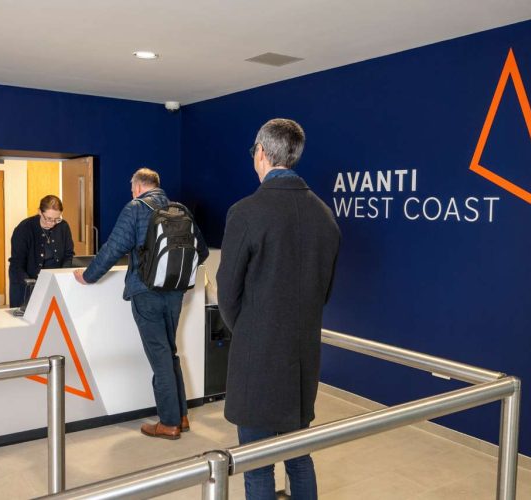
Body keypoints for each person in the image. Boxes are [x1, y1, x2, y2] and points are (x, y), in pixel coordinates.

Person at [217, 118, 341, 499]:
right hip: (302, 357)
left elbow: (227, 291)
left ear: (261, 153)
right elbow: (325, 290)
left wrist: (252, 329)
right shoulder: (324, 215)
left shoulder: (246, 211)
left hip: (258, 357)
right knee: (299, 456)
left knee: (257, 464)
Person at [73, 167, 208, 440]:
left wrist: (88, 276)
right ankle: (181, 416)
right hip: (175, 292)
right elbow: (201, 252)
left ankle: (168, 423)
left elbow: (113, 248)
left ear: (136, 187)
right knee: (169, 352)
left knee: (159, 357)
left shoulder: (135, 208)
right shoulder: (179, 209)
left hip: (145, 293)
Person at [9, 195, 75, 308]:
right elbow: (17, 263)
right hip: (26, 285)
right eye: (48, 218)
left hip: (53, 284)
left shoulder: (63, 227)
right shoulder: (24, 229)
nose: (53, 223)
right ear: (39, 212)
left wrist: (62, 276)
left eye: (57, 219)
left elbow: (68, 255)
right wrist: (30, 284)